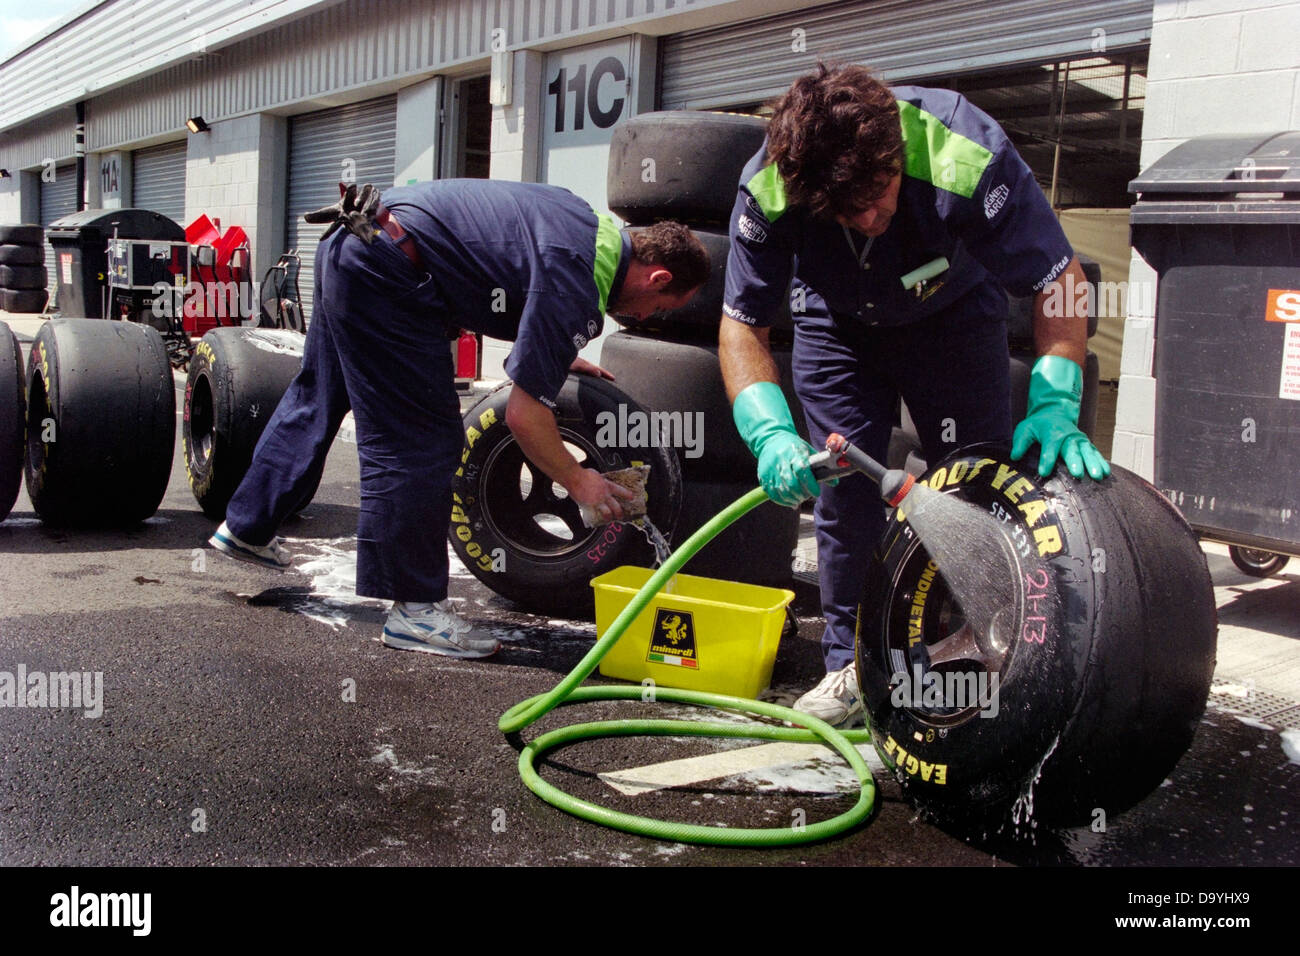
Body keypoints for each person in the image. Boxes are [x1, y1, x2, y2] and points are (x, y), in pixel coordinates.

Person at [719, 64, 1109, 726]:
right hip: (836, 323)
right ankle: (849, 662)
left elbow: (1061, 279)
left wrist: (1056, 399)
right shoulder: (769, 187)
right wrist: (768, 432)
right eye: (849, 211)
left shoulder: (964, 150)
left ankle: (990, 649)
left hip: (953, 316)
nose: (870, 219)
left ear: (896, 150)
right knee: (843, 491)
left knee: (980, 485)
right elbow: (740, 324)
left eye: (880, 195)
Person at [209, 179, 708, 658]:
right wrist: (579, 481)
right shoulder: (576, 281)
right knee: (419, 441)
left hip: (352, 241)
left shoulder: (582, 222)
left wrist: (550, 352)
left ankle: (246, 526)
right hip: (387, 270)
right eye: (656, 307)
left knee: (319, 392)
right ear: (657, 276)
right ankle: (416, 612)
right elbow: (523, 416)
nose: (643, 320)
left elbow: (496, 268)